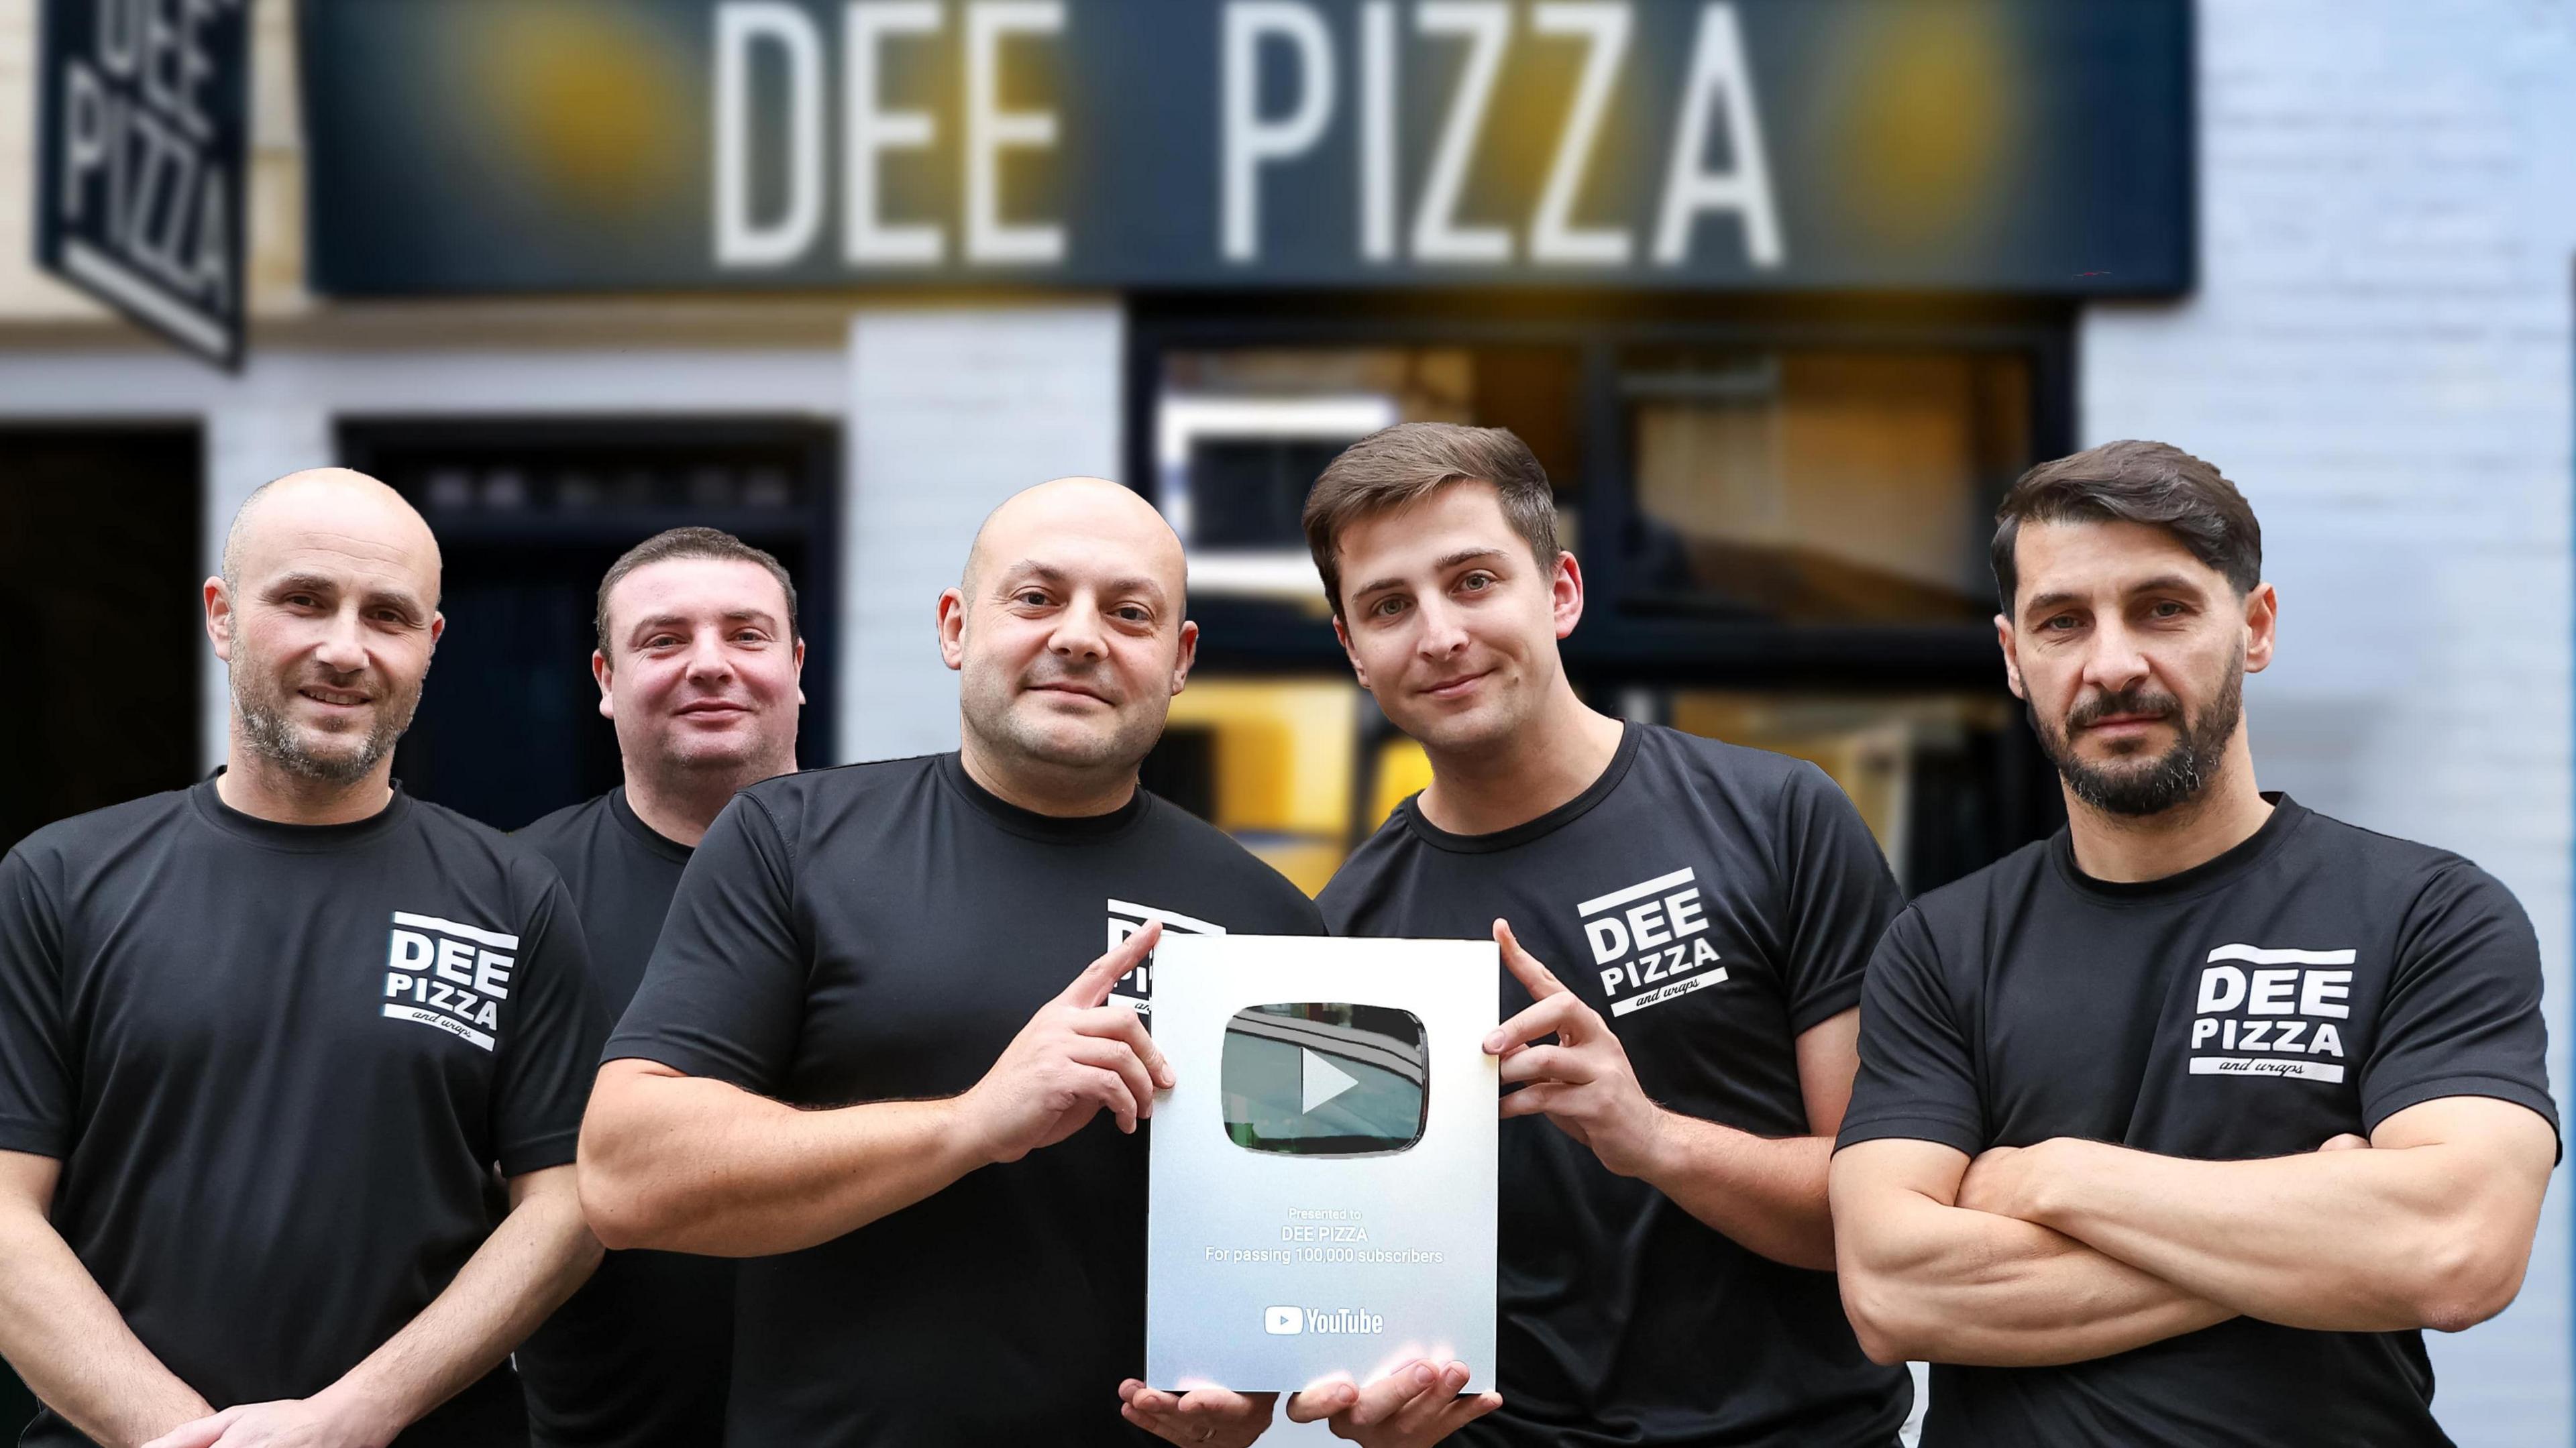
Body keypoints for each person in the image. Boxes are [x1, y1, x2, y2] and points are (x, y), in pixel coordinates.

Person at [1829, 441, 2557, 1445]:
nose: (2114, 662)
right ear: (2012, 658)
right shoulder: (1942, 946)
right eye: (2063, 622)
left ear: (2254, 628)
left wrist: (2049, 1179)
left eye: (2163, 608)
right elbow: (1893, 1293)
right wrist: (2319, 1228)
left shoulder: (2427, 912)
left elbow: (2454, 1250)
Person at [576, 478, 1324, 1447]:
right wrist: (972, 1124)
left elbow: (1305, 1248)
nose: (1080, 637)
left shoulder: (1269, 918)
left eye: (1129, 612)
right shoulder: (792, 841)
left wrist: (1260, 1392)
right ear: (955, 629)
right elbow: (628, 1177)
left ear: (1179, 659)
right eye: (1036, 598)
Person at [1301, 424, 1913, 1447]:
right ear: (1354, 652)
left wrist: (1654, 1140)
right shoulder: (1349, 930)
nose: (1440, 633)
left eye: (1474, 580)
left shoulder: (1777, 819)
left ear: (1562, 593)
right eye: (1390, 606)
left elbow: (1886, 1212)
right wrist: (1371, 1406)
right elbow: (1355, 1267)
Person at [0, 469, 608, 1448]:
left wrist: (346, 1421)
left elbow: (568, 1208)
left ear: (431, 646)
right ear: (223, 615)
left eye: (389, 616)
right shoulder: (59, 882)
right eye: (305, 601)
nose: (345, 648)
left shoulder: (513, 897)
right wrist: (190, 1439)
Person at [513, 528, 807, 1447]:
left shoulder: (901, 869)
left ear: (797, 666)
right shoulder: (513, 890)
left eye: (746, 635)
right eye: (665, 640)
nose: (709, 665)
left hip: (866, 1418)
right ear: (604, 679)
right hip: (596, 1427)